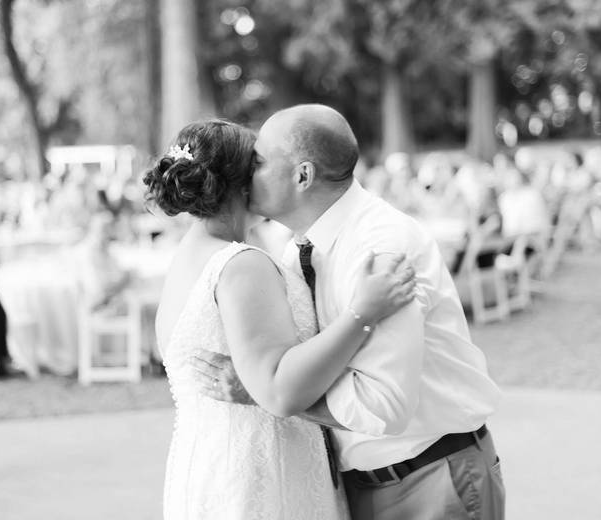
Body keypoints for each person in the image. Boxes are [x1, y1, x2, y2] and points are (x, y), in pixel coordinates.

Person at [193, 105, 504, 520]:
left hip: (429, 479)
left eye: (259, 162)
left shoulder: (380, 249)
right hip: (363, 485)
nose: (246, 175)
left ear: (302, 175)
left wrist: (265, 392)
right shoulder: (299, 249)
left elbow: (382, 407)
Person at [143, 119, 418, 520]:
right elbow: (278, 389)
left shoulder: (189, 256)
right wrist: (364, 312)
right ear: (240, 180)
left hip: (206, 464)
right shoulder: (241, 265)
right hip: (260, 474)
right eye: (258, 162)